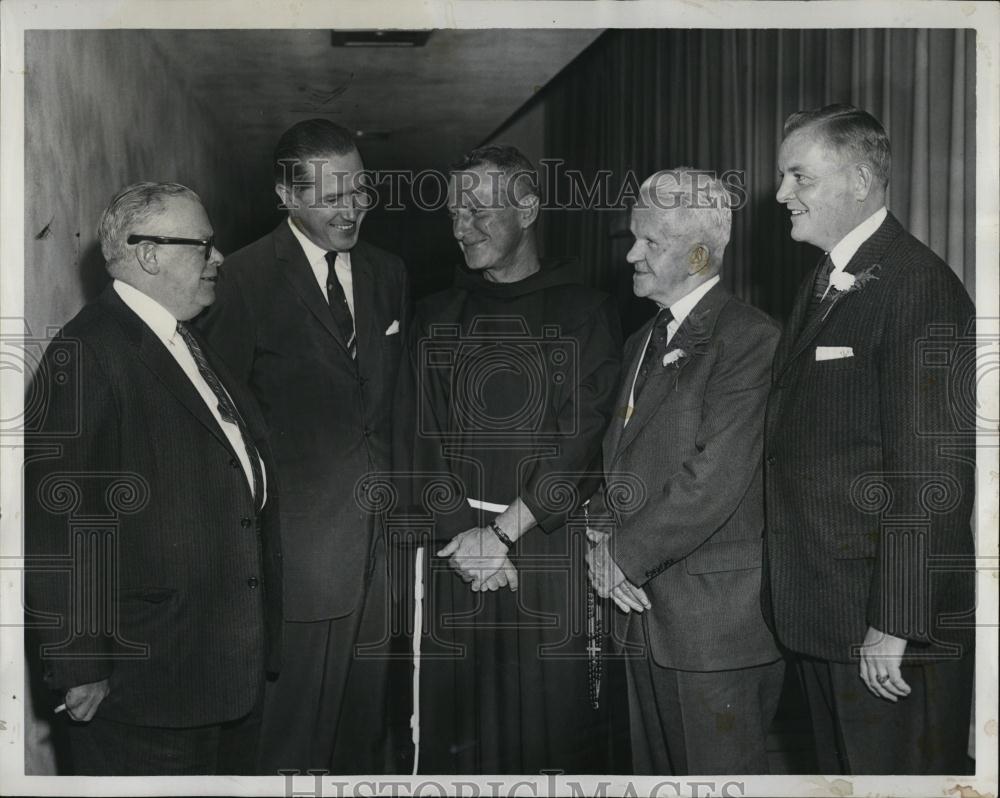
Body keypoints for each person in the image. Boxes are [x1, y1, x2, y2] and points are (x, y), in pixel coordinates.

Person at [24, 182, 281, 775]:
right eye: (203, 245)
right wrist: (80, 664)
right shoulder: (88, 352)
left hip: (217, 670)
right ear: (148, 254)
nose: (218, 258)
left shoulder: (184, 340)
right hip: (148, 685)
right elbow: (60, 518)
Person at [763, 103, 976, 774]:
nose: (780, 195)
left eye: (800, 177)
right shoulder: (826, 278)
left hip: (882, 631)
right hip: (828, 614)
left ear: (858, 179)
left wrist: (896, 620)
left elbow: (931, 467)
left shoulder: (918, 286)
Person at [397, 145, 623, 774]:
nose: (461, 227)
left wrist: (502, 534)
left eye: (477, 209)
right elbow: (418, 440)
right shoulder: (436, 315)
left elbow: (581, 446)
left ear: (527, 207)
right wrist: (465, 539)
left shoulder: (587, 313)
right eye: (452, 214)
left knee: (552, 733)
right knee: (455, 733)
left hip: (546, 554)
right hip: (456, 557)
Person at [197, 119, 408, 774]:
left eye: (361, 191)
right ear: (286, 196)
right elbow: (219, 433)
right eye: (331, 196)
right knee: (290, 747)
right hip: (298, 563)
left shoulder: (388, 272)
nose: (352, 209)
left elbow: (391, 409)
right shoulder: (240, 281)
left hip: (382, 554)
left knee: (363, 737)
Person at [585, 169, 783, 775]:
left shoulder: (749, 339)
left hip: (712, 631)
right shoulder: (642, 338)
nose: (631, 254)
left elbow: (714, 476)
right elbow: (622, 458)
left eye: (650, 242)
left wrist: (621, 553)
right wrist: (598, 531)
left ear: (698, 254)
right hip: (640, 618)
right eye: (633, 237)